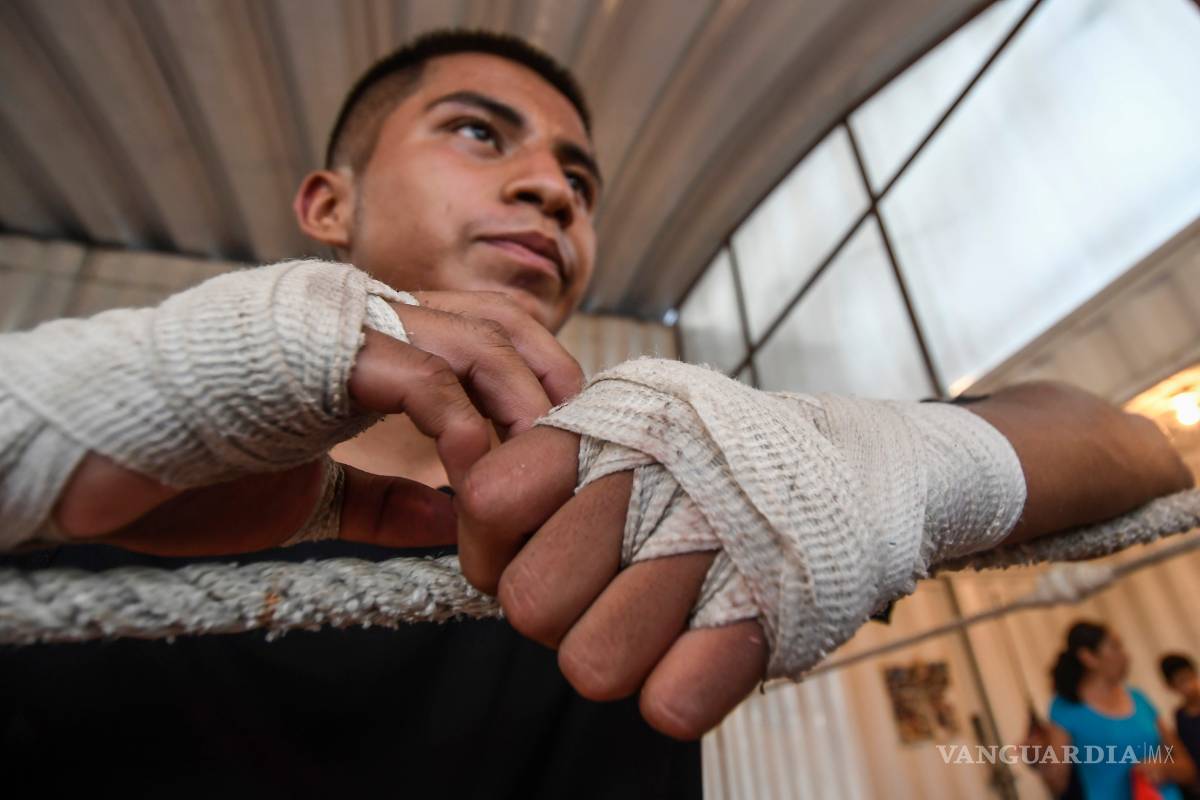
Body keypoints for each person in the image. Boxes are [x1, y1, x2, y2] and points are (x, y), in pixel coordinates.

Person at [0, 29, 1193, 798]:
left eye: (579, 181)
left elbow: (1129, 439)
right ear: (328, 203)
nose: (549, 191)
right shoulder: (100, 469)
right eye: (478, 132)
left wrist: (899, 455)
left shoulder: (693, 476)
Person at [1026, 622, 1196, 799]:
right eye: (1115, 647)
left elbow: (1188, 768)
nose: (1125, 656)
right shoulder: (1065, 708)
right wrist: (1038, 758)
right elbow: (1059, 782)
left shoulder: (1138, 699)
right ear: (1088, 657)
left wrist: (1165, 768)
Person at [1161, 653, 1200, 800]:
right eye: (1181, 681)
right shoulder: (1180, 716)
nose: (1189, 686)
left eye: (1190, 677)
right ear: (1171, 686)